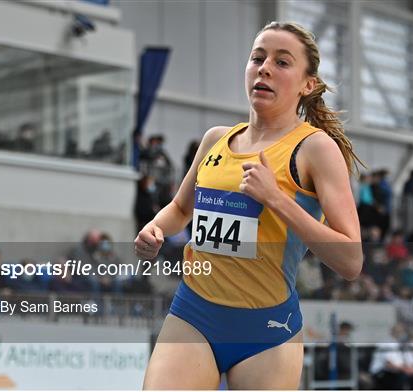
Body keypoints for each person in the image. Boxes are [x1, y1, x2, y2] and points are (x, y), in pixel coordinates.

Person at [134, 21, 363, 389]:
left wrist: (276, 199)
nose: (265, 67)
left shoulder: (316, 149)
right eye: (258, 57)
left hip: (267, 330)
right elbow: (179, 209)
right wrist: (155, 229)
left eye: (282, 62)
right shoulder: (215, 140)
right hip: (194, 312)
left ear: (309, 84)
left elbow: (351, 261)